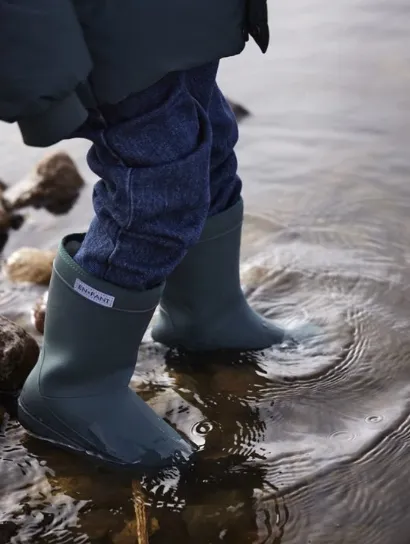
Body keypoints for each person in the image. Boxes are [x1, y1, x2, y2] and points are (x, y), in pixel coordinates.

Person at [0, 0, 294, 470]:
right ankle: (74, 386)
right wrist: (38, 77)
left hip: (175, 22)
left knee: (210, 144)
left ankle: (206, 317)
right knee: (157, 191)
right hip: (98, 38)